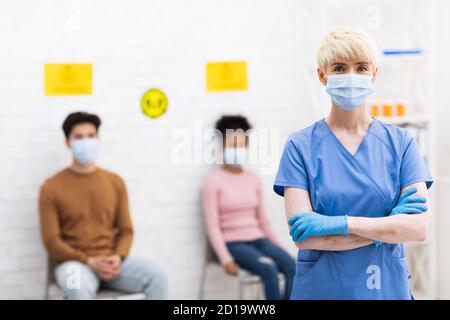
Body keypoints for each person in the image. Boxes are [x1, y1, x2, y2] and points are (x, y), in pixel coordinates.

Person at [273, 27, 433, 300]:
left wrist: (338, 223)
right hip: (321, 289)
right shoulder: (300, 146)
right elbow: (304, 237)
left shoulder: (401, 143)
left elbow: (417, 228)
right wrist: (388, 226)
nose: (351, 76)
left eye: (361, 67)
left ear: (374, 74)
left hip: (385, 288)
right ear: (322, 75)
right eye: (339, 67)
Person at [39, 112, 168, 300]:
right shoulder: (51, 187)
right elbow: (51, 241)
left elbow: (126, 231)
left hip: (112, 261)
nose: (86, 141)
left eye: (91, 136)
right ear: (68, 142)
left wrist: (118, 257)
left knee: (159, 275)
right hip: (74, 264)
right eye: (79, 137)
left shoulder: (115, 182)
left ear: (98, 139)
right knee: (77, 289)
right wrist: (89, 261)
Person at [202, 115, 295, 300]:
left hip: (259, 240)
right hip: (233, 244)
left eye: (241, 144)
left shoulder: (253, 179)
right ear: (221, 145)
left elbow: (263, 221)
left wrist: (279, 248)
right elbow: (212, 226)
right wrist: (225, 258)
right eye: (232, 145)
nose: (237, 150)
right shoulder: (212, 180)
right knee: (268, 268)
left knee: (292, 265)